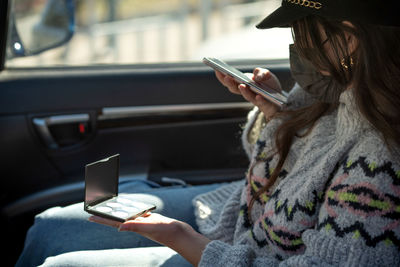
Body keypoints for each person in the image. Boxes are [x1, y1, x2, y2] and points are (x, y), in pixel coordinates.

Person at [16, 0, 400, 266]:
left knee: (60, 261)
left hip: (248, 252)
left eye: (303, 35)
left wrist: (181, 238)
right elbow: (287, 170)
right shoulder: (328, 87)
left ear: (348, 38)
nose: (297, 48)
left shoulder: (380, 157)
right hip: (238, 218)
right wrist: (276, 116)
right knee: (49, 226)